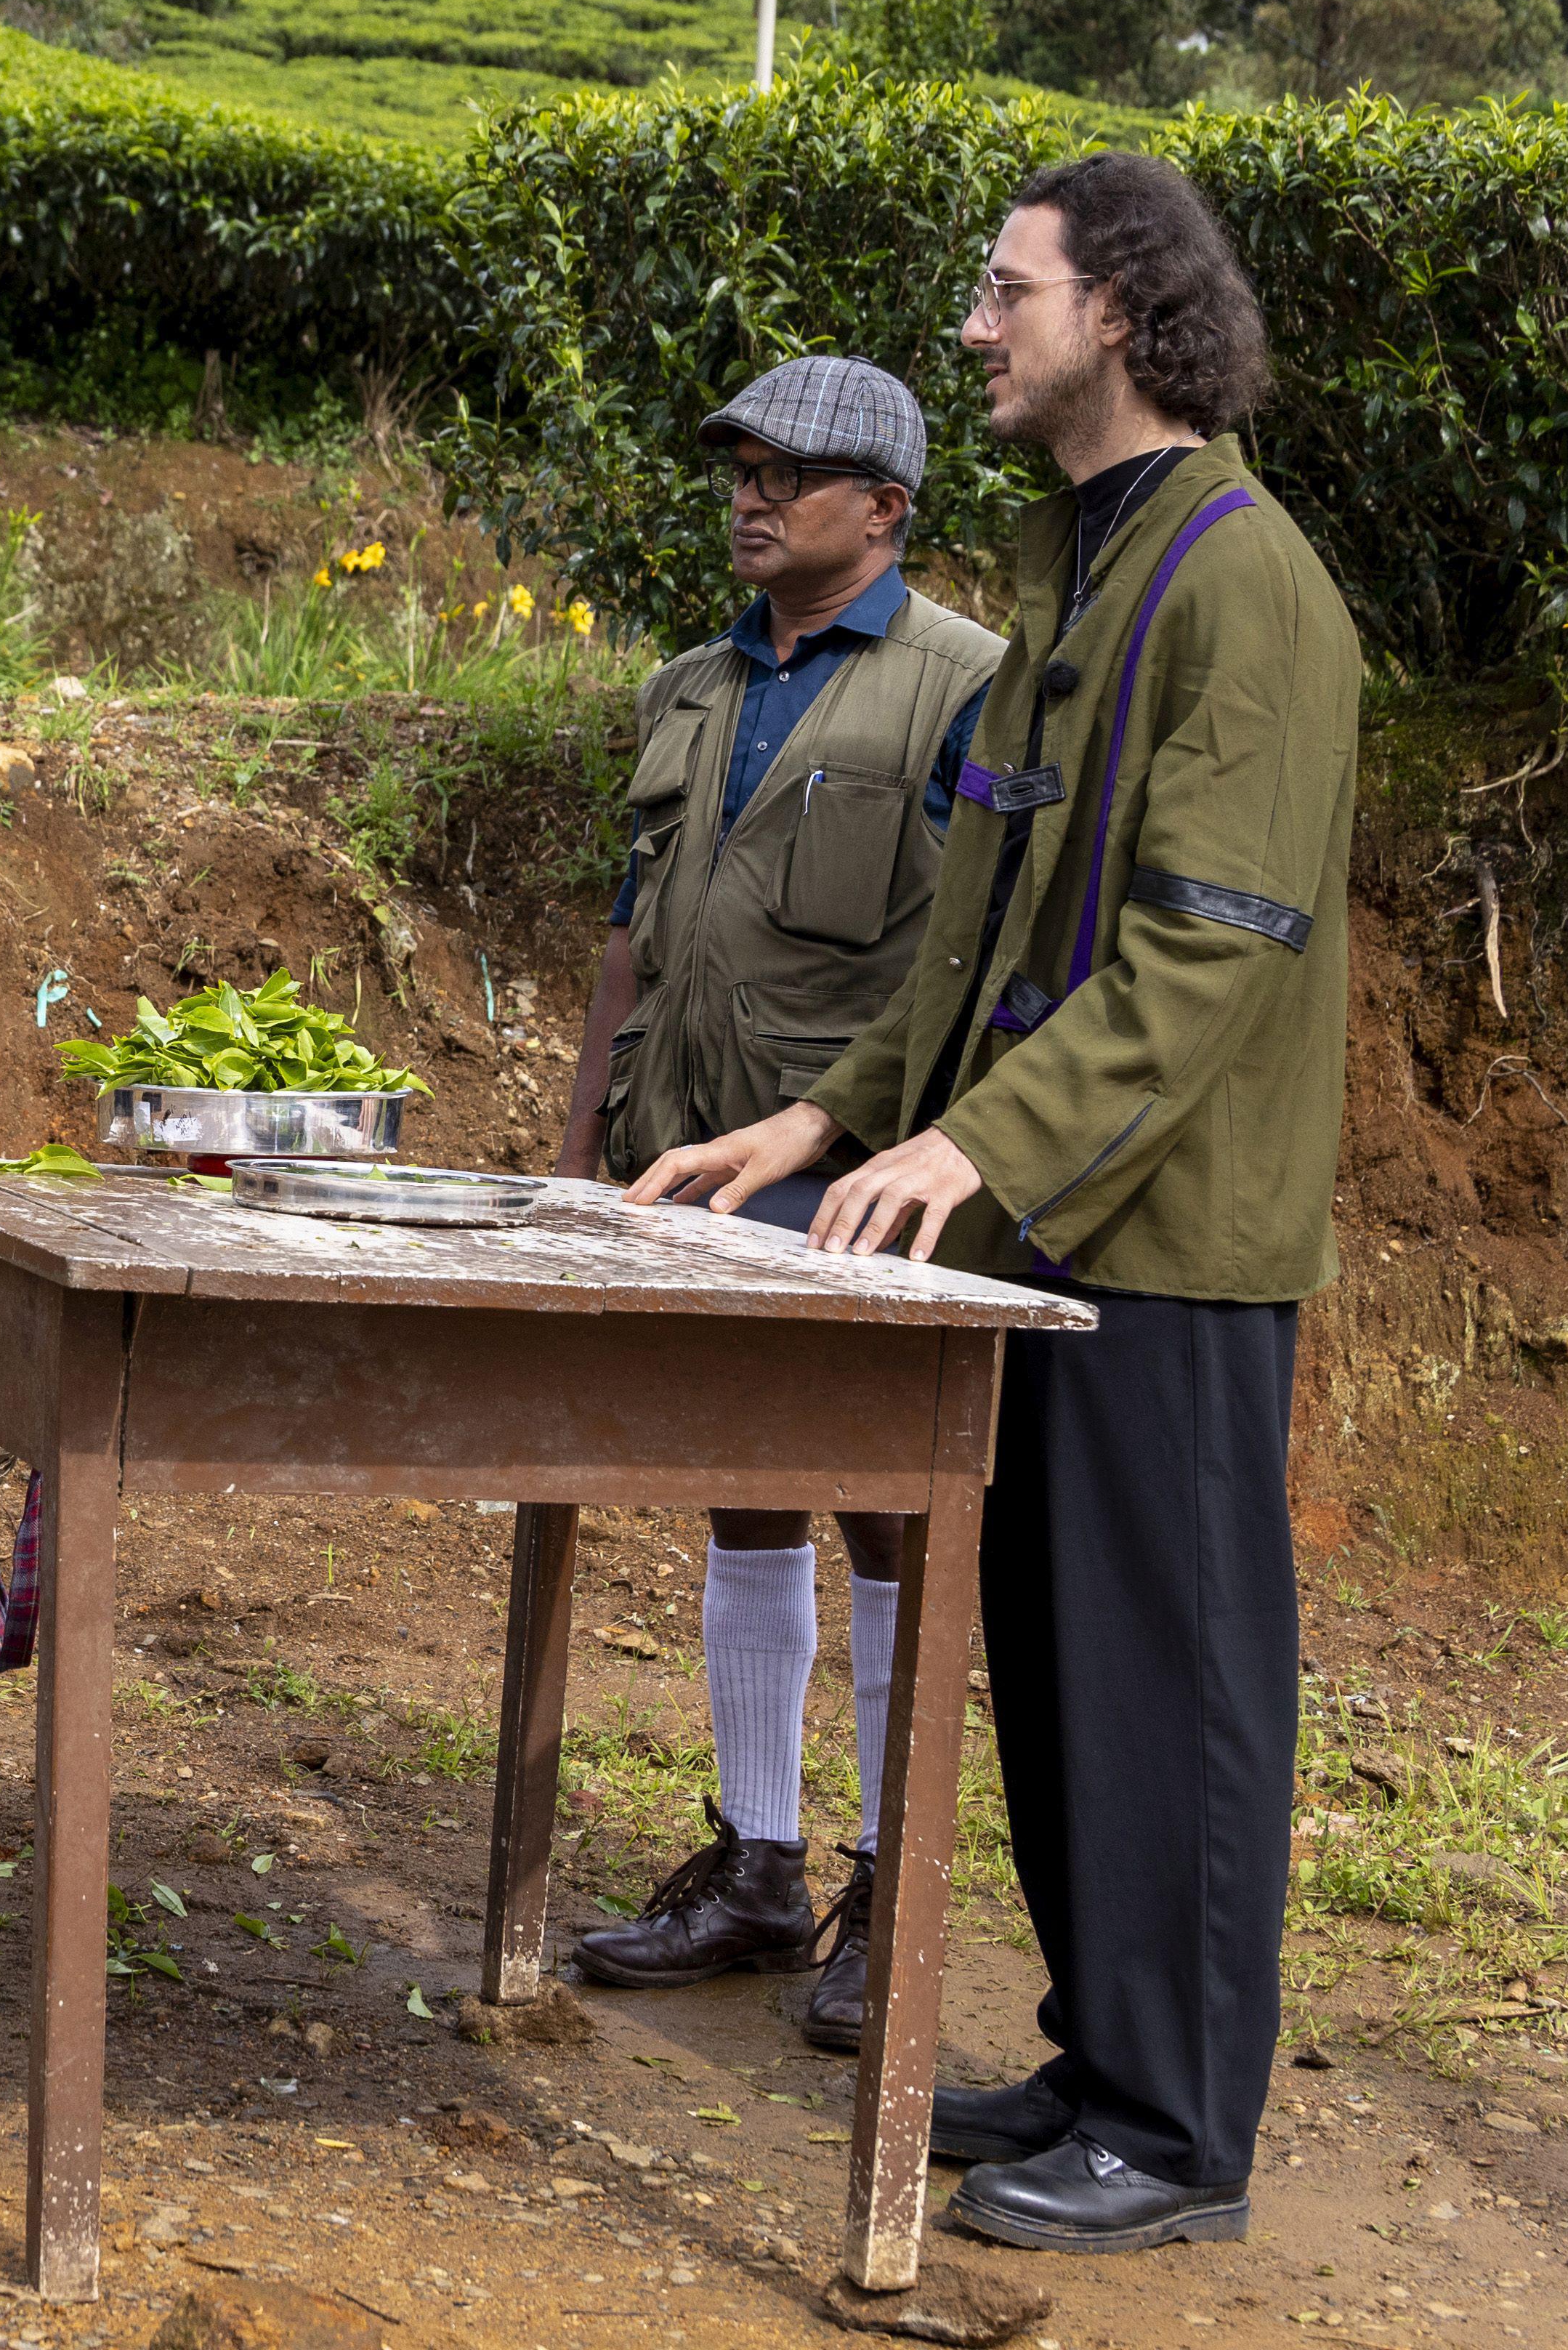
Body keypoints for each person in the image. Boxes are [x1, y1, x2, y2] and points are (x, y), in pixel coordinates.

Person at [624, 150, 1358, 2256]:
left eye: (1006, 292)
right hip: (1048, 1233)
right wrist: (836, 1123)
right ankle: (1104, 2052)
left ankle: (1179, 2132)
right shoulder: (1091, 566)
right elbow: (977, 934)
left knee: (1173, 1678)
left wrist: (989, 1149)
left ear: (1118, 307)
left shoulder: (1243, 583)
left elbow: (1211, 947)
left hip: (1172, 1243)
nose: (976, 328)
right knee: (1054, 1666)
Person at [553, 356, 995, 2048]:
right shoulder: (685, 687)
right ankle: (758, 1863)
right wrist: (577, 1139)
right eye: (735, 463)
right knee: (738, 1483)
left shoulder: (968, 688)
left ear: (884, 510)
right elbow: (629, 936)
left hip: (851, 1178)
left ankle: (893, 1882)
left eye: (790, 473)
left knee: (882, 1504)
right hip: (678, 1148)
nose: (750, 493)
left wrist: (909, 1151)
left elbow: (975, 958)